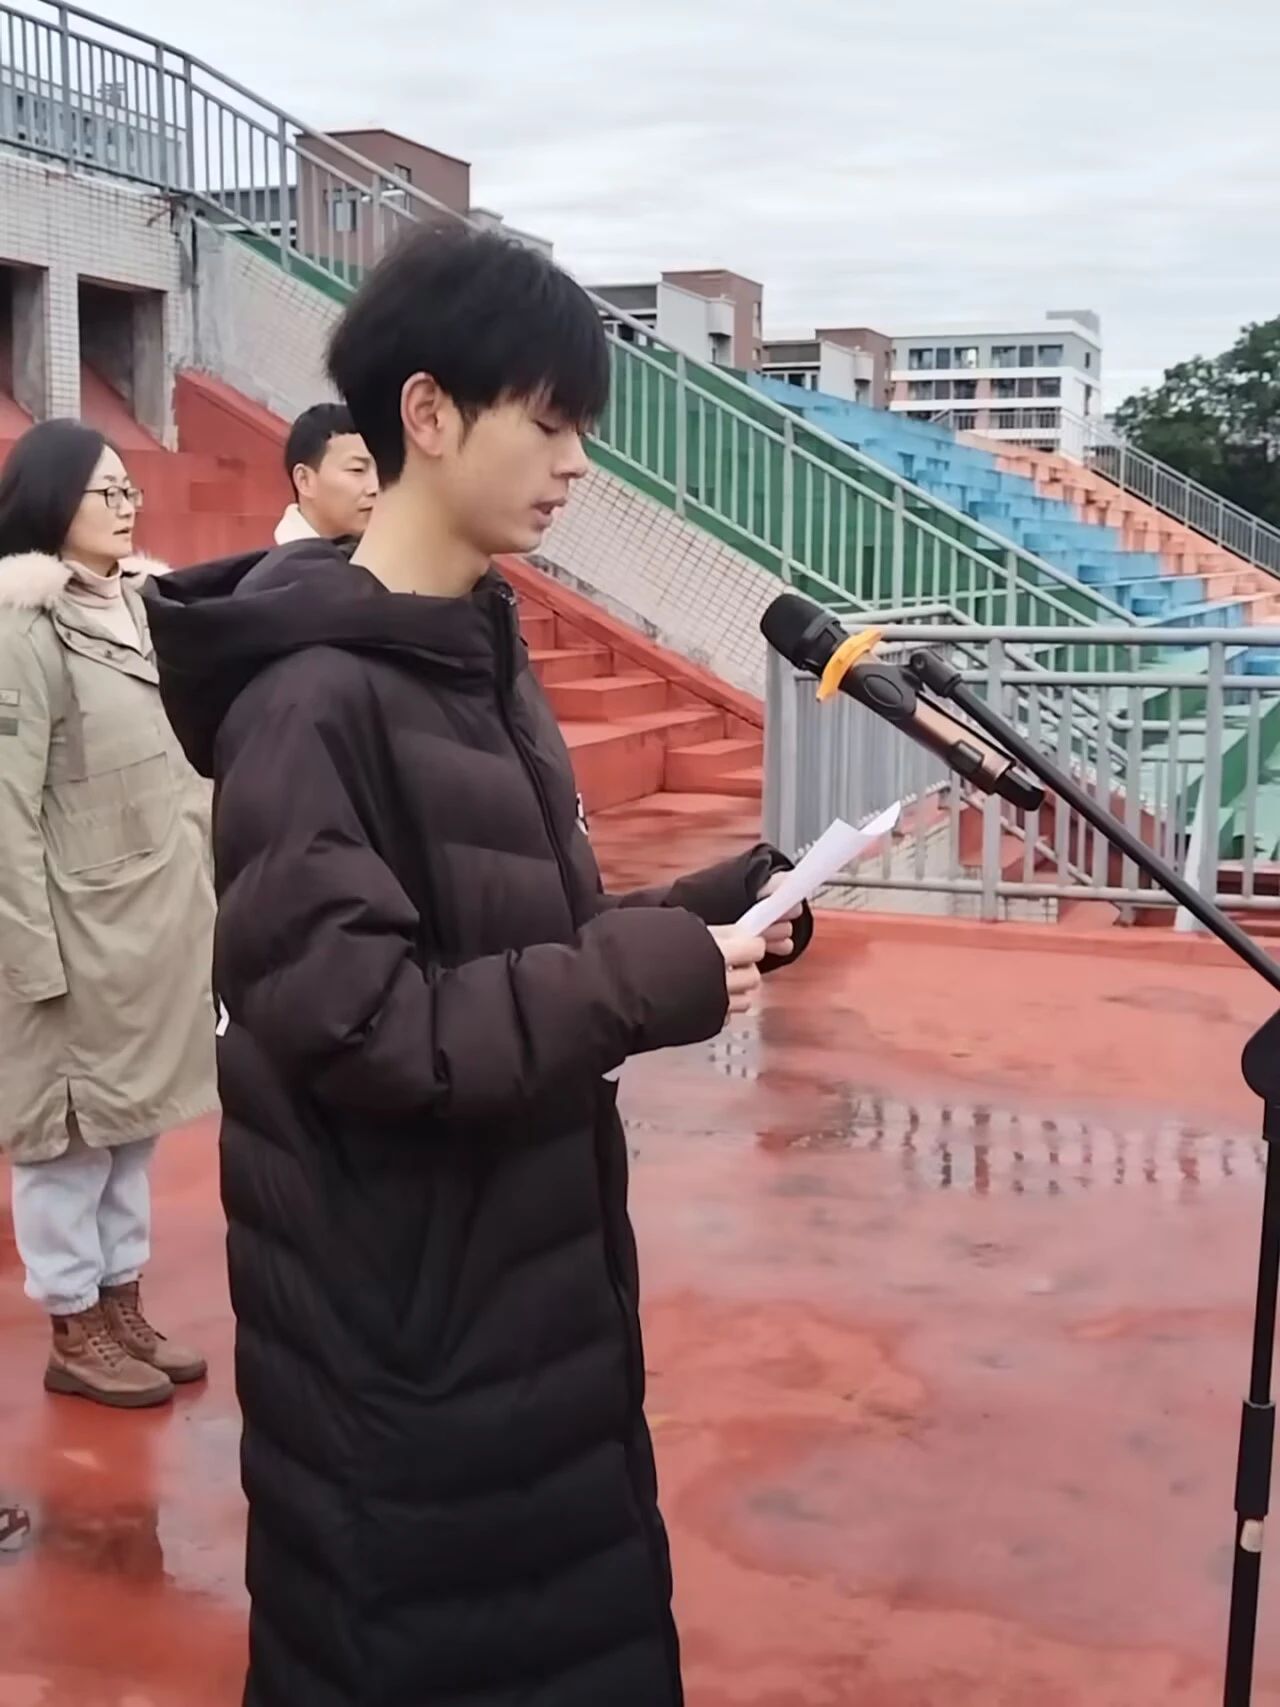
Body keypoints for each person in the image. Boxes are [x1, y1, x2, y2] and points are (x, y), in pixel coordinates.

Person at [143, 225, 812, 1707]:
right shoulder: (309, 704)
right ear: (430, 414)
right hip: (408, 1343)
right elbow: (368, 1026)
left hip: (523, 1298)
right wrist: (647, 979)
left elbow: (512, 940)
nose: (576, 464)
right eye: (549, 423)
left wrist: (710, 910)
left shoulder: (475, 651)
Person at [0, 419, 217, 1409]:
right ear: (52, 503)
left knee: (134, 1126)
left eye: (131, 488)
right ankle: (72, 1323)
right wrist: (28, 956)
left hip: (148, 923)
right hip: (71, 933)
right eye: (106, 491)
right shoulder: (22, 629)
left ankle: (121, 1300)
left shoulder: (138, 607)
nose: (127, 506)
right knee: (68, 1143)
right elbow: (6, 808)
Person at [274, 401, 377, 543]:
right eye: (357, 469)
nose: (376, 487)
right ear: (304, 480)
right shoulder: (281, 556)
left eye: (381, 470)